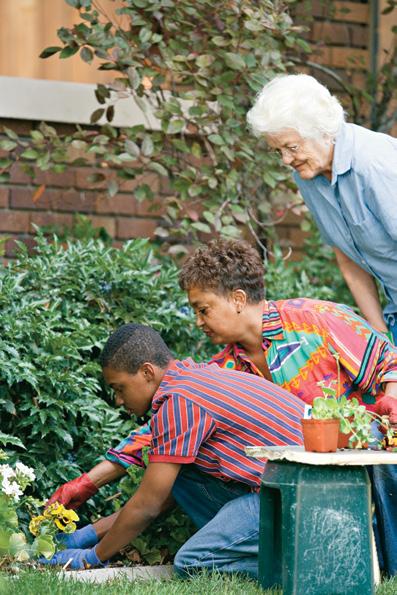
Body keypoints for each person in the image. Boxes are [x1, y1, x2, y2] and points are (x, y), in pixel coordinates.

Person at [49, 239, 397, 574]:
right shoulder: (222, 369)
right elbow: (161, 439)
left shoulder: (314, 320)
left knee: (374, 440)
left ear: (238, 299)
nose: (198, 321)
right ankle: (288, 547)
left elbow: (389, 360)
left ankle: (360, 558)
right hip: (284, 480)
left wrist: (390, 404)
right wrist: (88, 488)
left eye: (204, 309)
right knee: (181, 467)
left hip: (357, 456)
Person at [41, 323, 305, 574]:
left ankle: (294, 568)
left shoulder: (179, 402)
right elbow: (159, 496)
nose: (119, 401)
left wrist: (92, 558)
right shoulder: (191, 379)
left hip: (293, 503)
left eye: (119, 388)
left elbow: (147, 506)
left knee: (193, 562)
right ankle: (275, 551)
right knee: (182, 478)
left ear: (147, 372)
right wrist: (85, 536)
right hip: (288, 494)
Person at [246, 73, 397, 344]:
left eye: (291, 147)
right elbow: (349, 260)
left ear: (323, 129)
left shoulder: (376, 163)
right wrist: (381, 336)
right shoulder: (308, 175)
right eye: (277, 150)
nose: (286, 160)